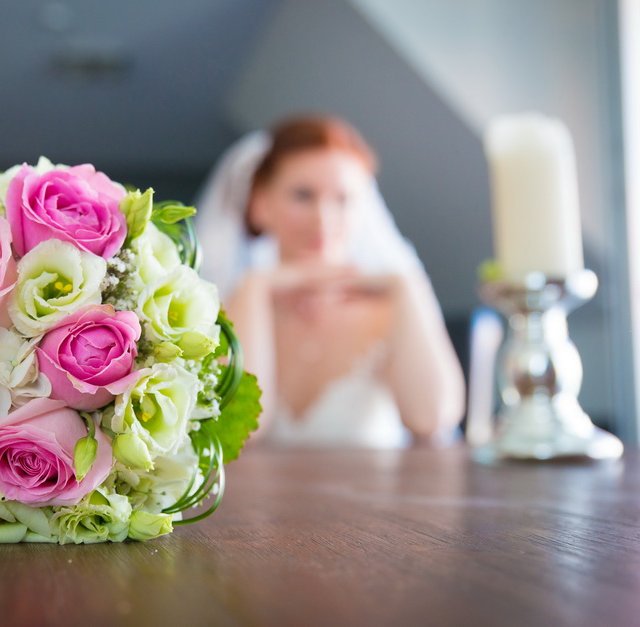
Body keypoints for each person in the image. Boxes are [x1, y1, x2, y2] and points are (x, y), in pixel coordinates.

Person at [195, 115, 465, 447]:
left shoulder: (392, 306)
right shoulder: (239, 305)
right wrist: (256, 286)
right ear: (262, 205)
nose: (323, 218)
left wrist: (405, 286)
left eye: (343, 199)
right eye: (303, 195)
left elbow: (432, 418)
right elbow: (243, 428)